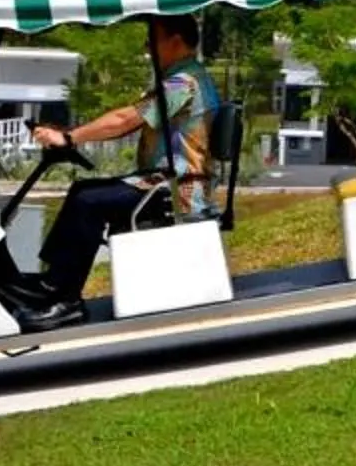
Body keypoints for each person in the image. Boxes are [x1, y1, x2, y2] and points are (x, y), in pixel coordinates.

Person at [13, 16, 218, 327]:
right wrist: (70, 134)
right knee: (82, 192)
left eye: (152, 40)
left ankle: (65, 300)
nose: (147, 47)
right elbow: (129, 124)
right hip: (163, 181)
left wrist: (69, 138)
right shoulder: (182, 78)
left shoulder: (183, 83)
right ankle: (52, 284)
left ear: (175, 41)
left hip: (178, 190)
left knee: (88, 202)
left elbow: (125, 119)